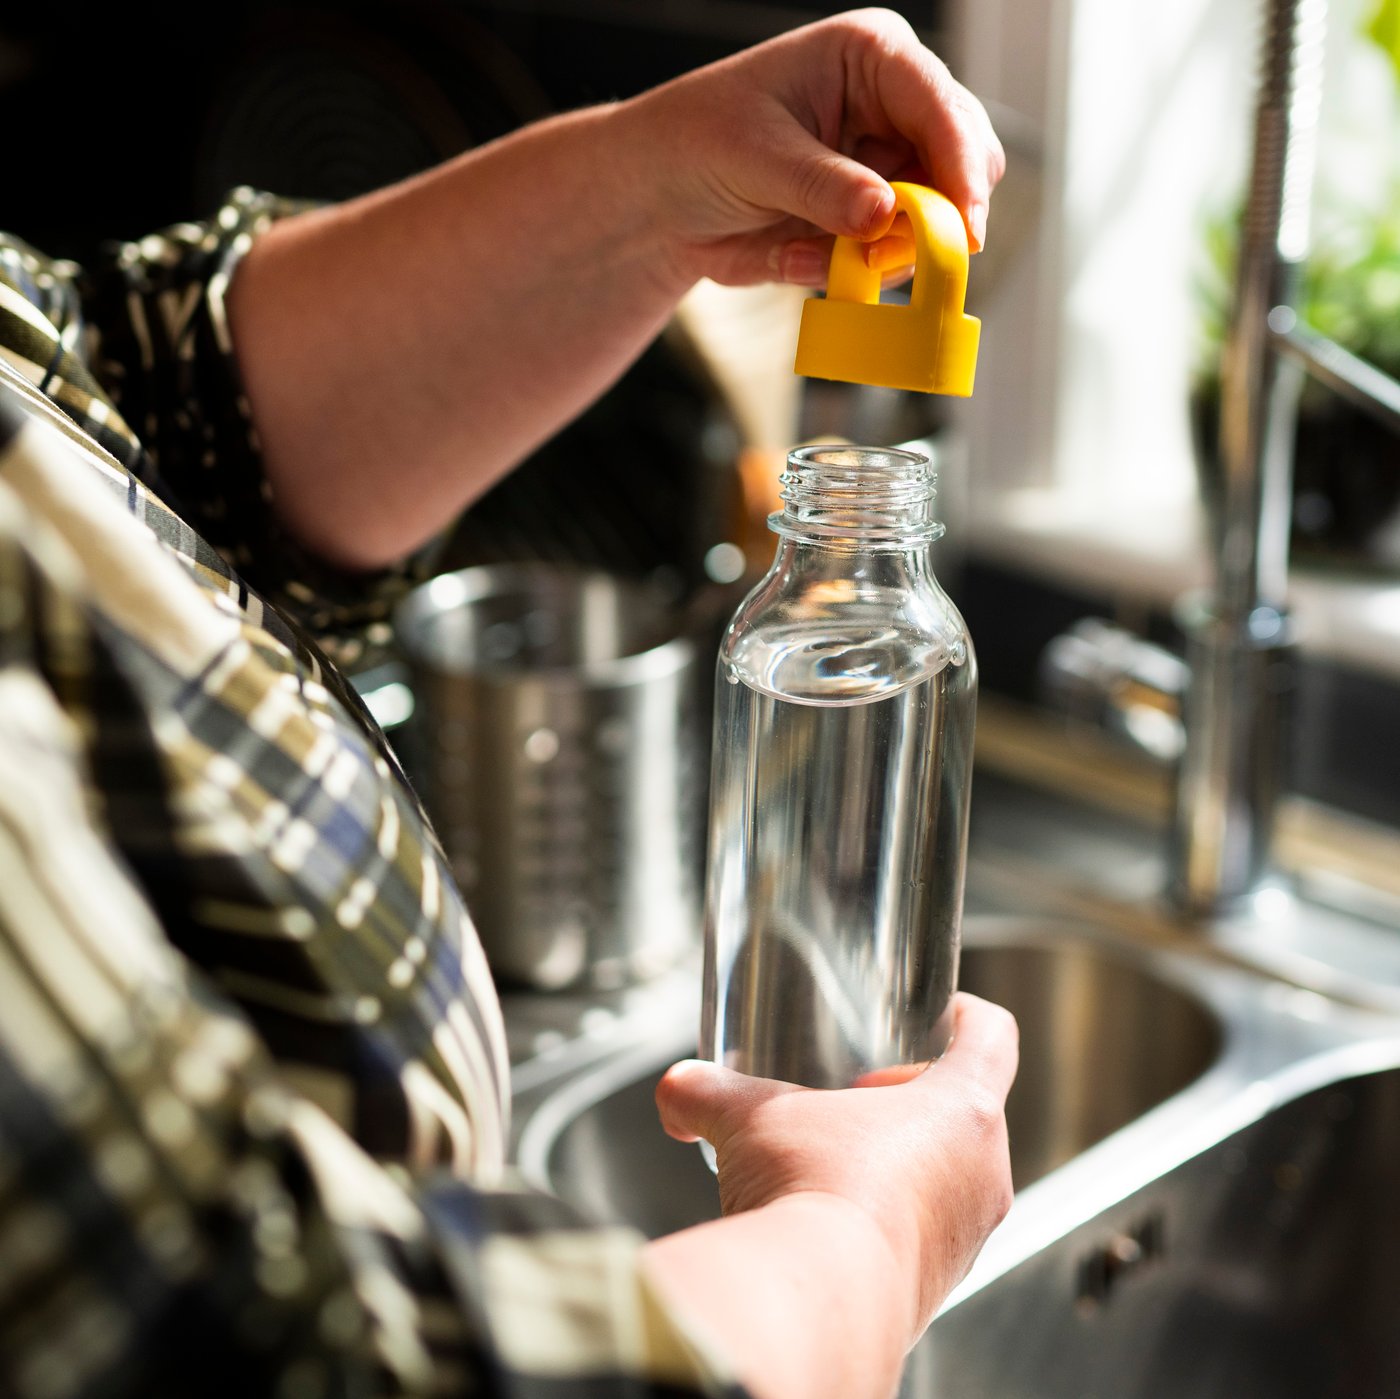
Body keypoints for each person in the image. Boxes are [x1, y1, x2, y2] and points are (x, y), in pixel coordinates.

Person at [0, 8, 1018, 1398]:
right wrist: (866, 1234)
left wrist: (650, 188)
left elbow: (135, 410)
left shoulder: (914, 640)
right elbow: (294, 1358)